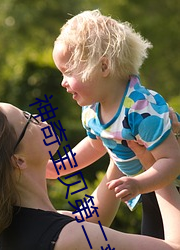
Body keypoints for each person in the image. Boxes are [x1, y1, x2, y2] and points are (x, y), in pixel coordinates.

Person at [0, 98, 180, 250]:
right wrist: (156, 164)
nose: (39, 118)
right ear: (18, 160)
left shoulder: (8, 231)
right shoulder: (68, 238)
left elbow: (91, 220)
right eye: (28, 120)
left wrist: (120, 138)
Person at [49, 9, 180, 239]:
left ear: (103, 67)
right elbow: (95, 145)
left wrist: (139, 184)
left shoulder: (140, 109)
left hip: (169, 185)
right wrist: (58, 167)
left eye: (68, 72)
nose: (62, 83)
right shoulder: (92, 110)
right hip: (150, 189)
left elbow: (172, 160)